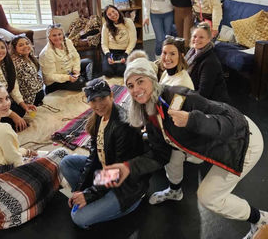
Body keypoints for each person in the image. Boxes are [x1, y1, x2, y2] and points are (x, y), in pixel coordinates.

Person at [105, 56, 267, 239]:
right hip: (214, 141)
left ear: (152, 79)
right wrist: (127, 168)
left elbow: (231, 120)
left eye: (140, 81)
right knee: (172, 153)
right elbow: (160, 154)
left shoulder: (179, 96)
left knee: (208, 197)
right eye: (131, 85)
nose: (136, 89)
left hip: (242, 140)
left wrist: (192, 120)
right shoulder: (148, 110)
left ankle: (260, 219)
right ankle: (175, 191)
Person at [0, 81, 62, 235]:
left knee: (36, 155)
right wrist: (33, 157)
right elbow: (16, 162)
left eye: (6, 98)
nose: (5, 104)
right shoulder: (3, 129)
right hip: (0, 189)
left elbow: (9, 152)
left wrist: (28, 152)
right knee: (59, 156)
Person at [59, 79, 147, 229]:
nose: (98, 105)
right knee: (66, 163)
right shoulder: (99, 117)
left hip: (126, 185)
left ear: (111, 95)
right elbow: (94, 156)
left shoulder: (123, 125)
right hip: (105, 171)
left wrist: (89, 194)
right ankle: (96, 196)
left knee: (79, 217)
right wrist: (81, 189)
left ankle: (130, 202)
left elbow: (118, 171)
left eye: (102, 98)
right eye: (93, 100)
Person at [0, 36, 32, 131]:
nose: (0, 51)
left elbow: (14, 87)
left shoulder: (8, 64)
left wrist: (23, 104)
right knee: (9, 121)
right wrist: (13, 116)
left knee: (21, 110)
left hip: (3, 100)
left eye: (2, 47)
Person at [39, 23, 93, 93]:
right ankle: (83, 80)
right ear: (49, 37)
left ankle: (83, 79)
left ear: (63, 34)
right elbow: (50, 76)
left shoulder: (67, 42)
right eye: (54, 35)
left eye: (59, 34)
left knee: (88, 62)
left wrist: (76, 70)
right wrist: (68, 78)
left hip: (69, 72)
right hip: (55, 82)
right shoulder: (46, 53)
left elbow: (76, 57)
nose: (57, 37)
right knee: (81, 82)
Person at [185, 22, 229, 102]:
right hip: (194, 93)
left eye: (201, 37)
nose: (196, 39)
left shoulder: (210, 63)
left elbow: (203, 94)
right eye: (194, 36)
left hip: (212, 103)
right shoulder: (191, 52)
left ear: (209, 39)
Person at [101, 5, 137, 77]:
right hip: (111, 52)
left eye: (113, 11)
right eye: (109, 14)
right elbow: (104, 43)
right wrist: (108, 55)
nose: (113, 15)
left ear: (117, 10)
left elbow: (133, 40)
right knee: (107, 72)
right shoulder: (105, 25)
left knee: (121, 72)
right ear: (107, 17)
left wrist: (126, 55)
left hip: (125, 51)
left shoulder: (128, 21)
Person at [10, 33, 44, 106]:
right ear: (15, 49)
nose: (25, 46)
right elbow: (30, 86)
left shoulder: (30, 57)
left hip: (35, 90)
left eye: (27, 43)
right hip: (27, 98)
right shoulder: (20, 63)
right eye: (21, 45)